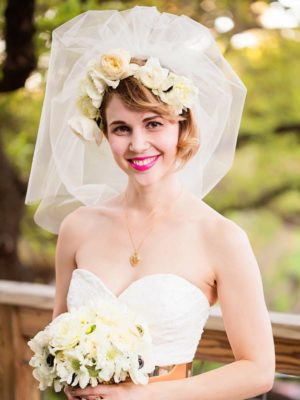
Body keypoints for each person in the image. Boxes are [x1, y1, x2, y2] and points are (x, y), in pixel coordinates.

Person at [25, 6, 275, 400]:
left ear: (182, 126)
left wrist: (138, 396)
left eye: (153, 124)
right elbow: (57, 340)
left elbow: (258, 371)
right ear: (105, 135)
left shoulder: (221, 237)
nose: (138, 145)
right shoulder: (78, 227)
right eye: (121, 128)